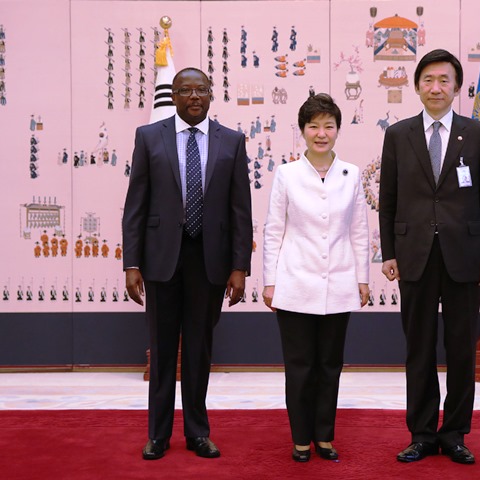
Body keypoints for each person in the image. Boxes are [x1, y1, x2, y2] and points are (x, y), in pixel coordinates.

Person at [122, 67, 253, 461]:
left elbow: (240, 209)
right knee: (163, 351)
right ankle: (158, 435)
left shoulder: (232, 141)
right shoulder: (149, 137)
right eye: (185, 90)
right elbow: (136, 204)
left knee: (199, 350)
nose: (194, 96)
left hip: (209, 261)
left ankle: (198, 432)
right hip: (161, 259)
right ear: (173, 95)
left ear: (211, 94)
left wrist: (239, 267)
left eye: (201, 90)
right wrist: (131, 263)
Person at [378, 49, 480, 465]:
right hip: (414, 254)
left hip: (464, 255)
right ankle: (422, 434)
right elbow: (388, 200)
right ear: (417, 86)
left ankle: (455, 434)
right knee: (419, 349)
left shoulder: (478, 134)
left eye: (444, 80)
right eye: (428, 80)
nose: (436, 87)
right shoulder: (398, 135)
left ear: (457, 86)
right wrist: (389, 252)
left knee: (461, 350)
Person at [262, 93, 370, 463]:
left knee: (330, 365)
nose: (321, 133)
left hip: (339, 282)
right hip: (294, 282)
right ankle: (300, 439)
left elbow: (359, 230)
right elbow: (273, 230)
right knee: (300, 367)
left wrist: (362, 278)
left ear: (338, 130)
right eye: (313, 126)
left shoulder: (351, 174)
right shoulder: (287, 174)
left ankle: (324, 436)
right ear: (303, 131)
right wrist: (270, 281)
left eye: (328, 126)